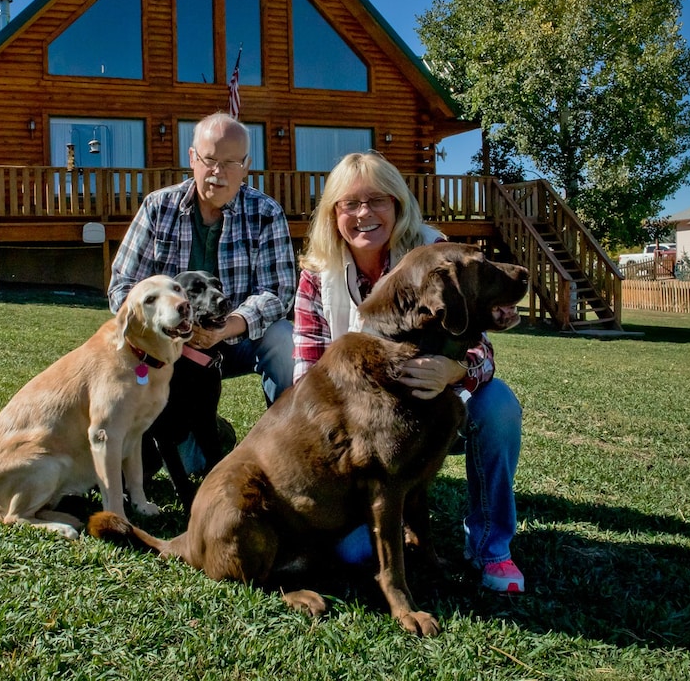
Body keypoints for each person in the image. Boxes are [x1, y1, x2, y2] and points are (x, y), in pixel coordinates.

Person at [291, 151, 526, 593]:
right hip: (368, 430)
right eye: (349, 204)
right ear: (333, 214)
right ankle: (389, 517)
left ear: (398, 204)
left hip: (437, 408)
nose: (364, 213)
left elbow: (485, 355)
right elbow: (306, 377)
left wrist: (453, 370)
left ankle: (492, 548)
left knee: (498, 407)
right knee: (354, 554)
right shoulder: (317, 274)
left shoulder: (435, 256)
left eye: (377, 199)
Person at [109, 111, 296, 413]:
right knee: (191, 455)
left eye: (230, 163)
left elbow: (278, 293)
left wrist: (227, 327)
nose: (217, 172)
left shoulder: (266, 212)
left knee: (284, 340)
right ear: (192, 158)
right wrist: (171, 327)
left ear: (246, 166)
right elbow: (123, 287)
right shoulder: (157, 208)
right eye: (209, 160)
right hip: (168, 339)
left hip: (237, 334)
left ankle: (286, 433)